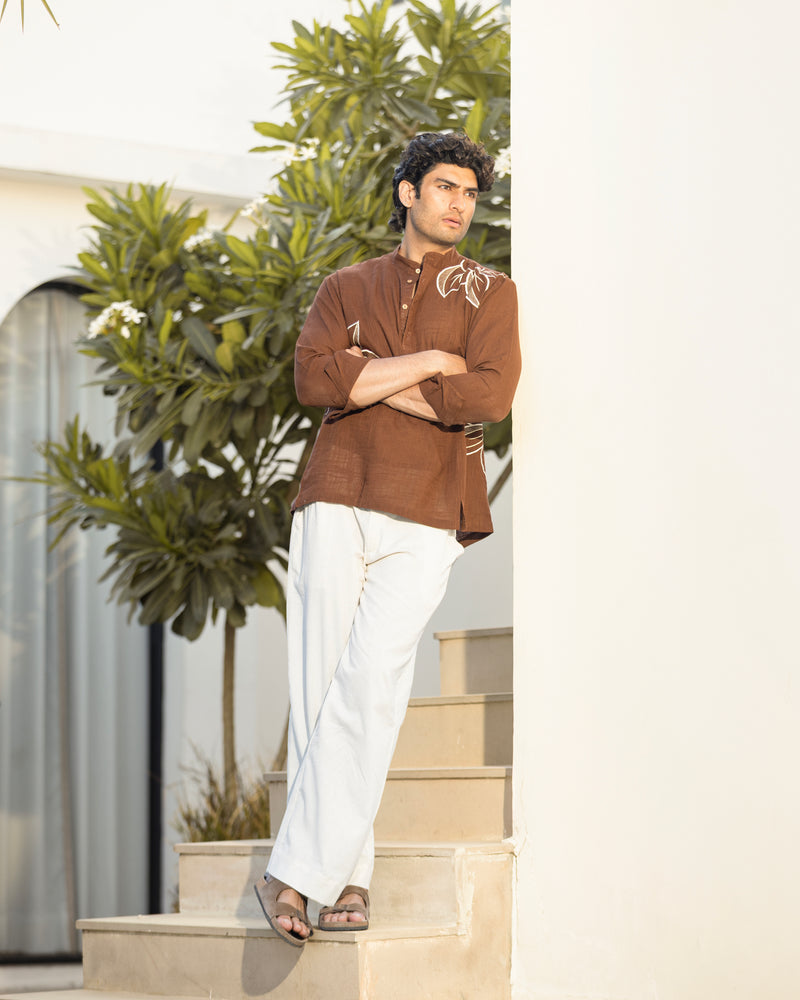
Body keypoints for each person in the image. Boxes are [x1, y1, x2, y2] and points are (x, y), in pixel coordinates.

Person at [254, 131, 521, 946]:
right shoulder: (345, 285)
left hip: (433, 505)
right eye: (444, 187)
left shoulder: (492, 292)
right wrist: (430, 364)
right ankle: (347, 876)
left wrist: (378, 375)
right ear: (408, 192)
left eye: (470, 194)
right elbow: (315, 379)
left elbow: (487, 396)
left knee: (370, 682)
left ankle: (291, 873)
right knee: (320, 684)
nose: (459, 205)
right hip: (336, 492)